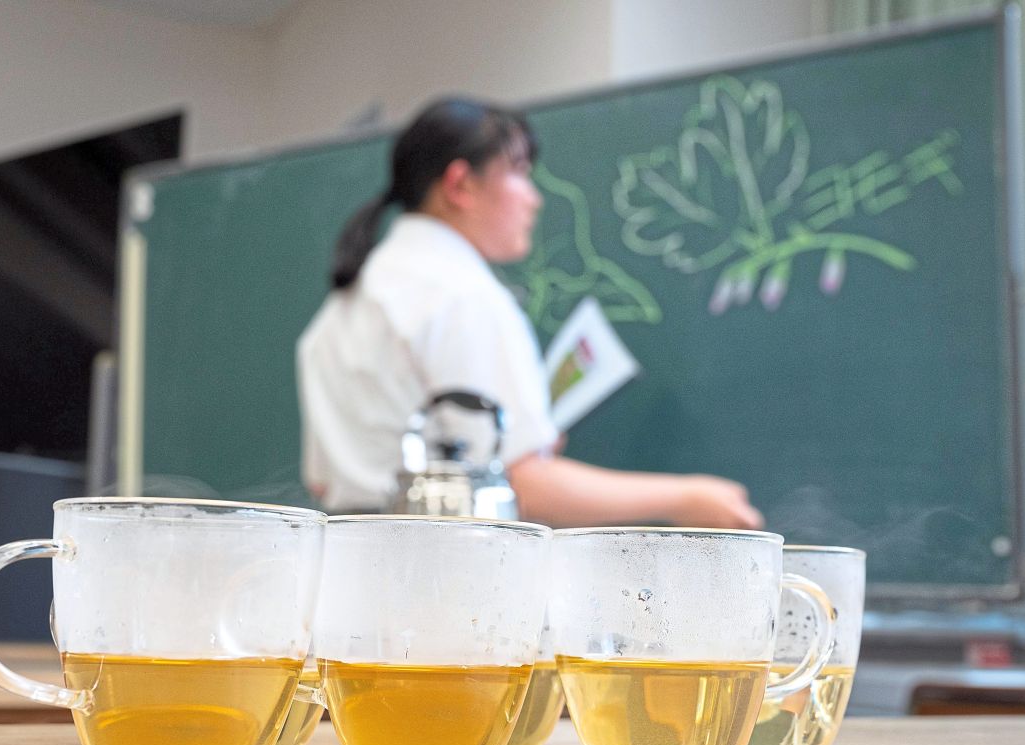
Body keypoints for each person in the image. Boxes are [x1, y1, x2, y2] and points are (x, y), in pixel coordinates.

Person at [297, 98, 762, 529]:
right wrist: (687, 497)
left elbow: (324, 478)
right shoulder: (460, 295)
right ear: (460, 185)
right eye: (518, 172)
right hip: (435, 576)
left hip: (347, 573)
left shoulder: (347, 301)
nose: (533, 198)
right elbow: (526, 488)